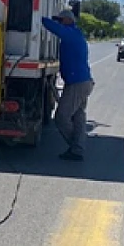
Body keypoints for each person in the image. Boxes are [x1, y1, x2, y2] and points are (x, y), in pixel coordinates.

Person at [41, 8, 94, 160]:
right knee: (78, 117)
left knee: (61, 117)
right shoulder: (75, 34)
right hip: (83, 82)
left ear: (68, 20)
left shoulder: (71, 34)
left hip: (77, 83)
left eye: (61, 20)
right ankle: (78, 147)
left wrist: (38, 16)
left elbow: (54, 28)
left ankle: (77, 147)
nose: (60, 22)